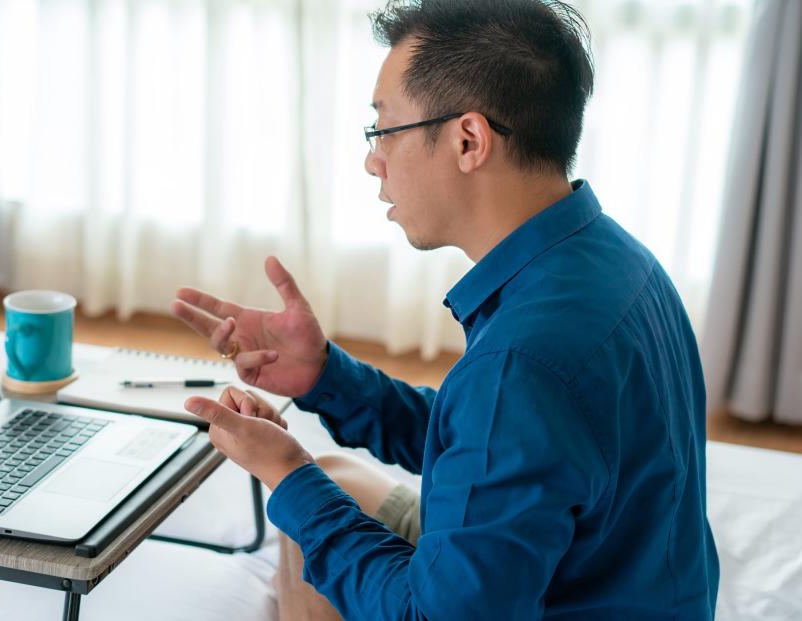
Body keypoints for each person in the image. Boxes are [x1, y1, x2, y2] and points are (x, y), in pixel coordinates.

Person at [170, 1, 719, 619]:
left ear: (468, 140)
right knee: (330, 481)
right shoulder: (614, 256)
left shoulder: (523, 361)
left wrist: (286, 475)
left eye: (383, 129)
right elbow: (488, 441)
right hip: (626, 583)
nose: (372, 160)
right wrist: (324, 375)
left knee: (308, 501)